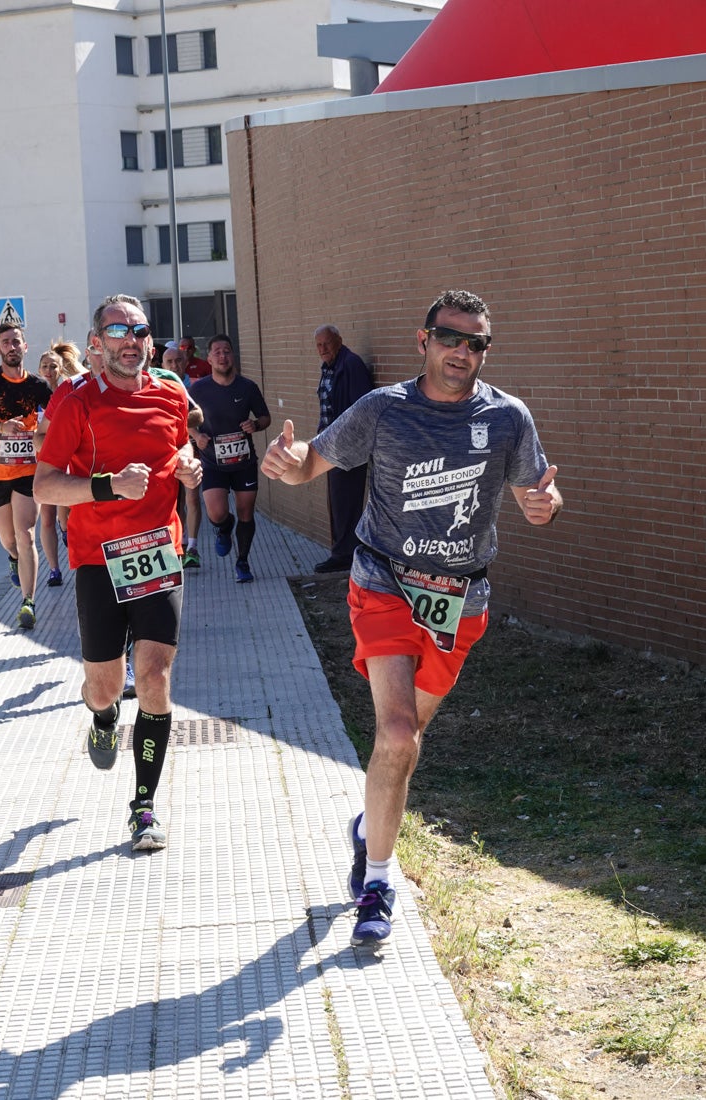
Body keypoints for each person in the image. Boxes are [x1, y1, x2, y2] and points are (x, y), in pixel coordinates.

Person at [262, 289, 563, 946]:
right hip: (384, 582)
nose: (462, 351)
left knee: (406, 737)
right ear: (422, 340)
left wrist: (546, 507)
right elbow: (312, 459)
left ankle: (370, 826)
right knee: (396, 734)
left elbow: (537, 489)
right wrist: (287, 468)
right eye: (450, 337)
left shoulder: (507, 418)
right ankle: (377, 879)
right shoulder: (383, 409)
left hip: (459, 600)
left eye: (475, 342)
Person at [34, 293, 202, 851]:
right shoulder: (75, 399)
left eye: (141, 330)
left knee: (153, 675)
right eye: (119, 331)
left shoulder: (173, 392)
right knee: (106, 687)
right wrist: (107, 486)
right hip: (97, 560)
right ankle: (101, 717)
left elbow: (179, 452)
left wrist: (189, 468)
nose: (132, 340)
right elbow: (45, 485)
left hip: (158, 551)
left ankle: (144, 808)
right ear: (97, 343)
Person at [0, 324, 52, 629]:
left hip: (27, 472)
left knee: (26, 533)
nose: (11, 346)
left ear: (25, 346)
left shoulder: (37, 388)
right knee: (10, 541)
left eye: (16, 341)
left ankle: (28, 602)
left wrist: (40, 437)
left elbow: (55, 422)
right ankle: (13, 559)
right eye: (6, 342)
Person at [189, 334, 271, 582]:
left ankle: (243, 562)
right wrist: (196, 436)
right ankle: (224, 528)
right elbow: (182, 419)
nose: (223, 356)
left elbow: (265, 417)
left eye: (227, 351)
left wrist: (255, 425)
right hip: (213, 462)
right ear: (209, 358)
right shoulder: (199, 389)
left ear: (232, 356)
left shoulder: (247, 387)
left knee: (247, 512)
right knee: (217, 513)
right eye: (217, 352)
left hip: (244, 461)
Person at [313, 325, 373, 572]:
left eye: (327, 343)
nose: (323, 349)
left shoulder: (351, 364)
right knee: (337, 500)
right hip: (331, 445)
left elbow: (362, 407)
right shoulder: (329, 367)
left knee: (345, 499)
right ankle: (340, 551)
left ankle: (345, 555)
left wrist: (346, 442)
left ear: (339, 340)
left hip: (347, 448)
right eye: (318, 345)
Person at [37, 341, 86, 587]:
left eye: (53, 366)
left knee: (65, 510)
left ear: (61, 368)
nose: (48, 371)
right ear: (39, 370)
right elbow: (35, 432)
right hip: (43, 459)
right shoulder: (36, 392)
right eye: (44, 366)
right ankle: (54, 569)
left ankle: (68, 533)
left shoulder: (71, 389)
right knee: (46, 516)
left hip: (69, 458)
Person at [161, 342, 203, 568]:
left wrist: (190, 431)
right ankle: (181, 542)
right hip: (169, 453)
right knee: (175, 504)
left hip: (193, 448)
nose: (174, 365)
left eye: (178, 360)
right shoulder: (157, 383)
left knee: (193, 497)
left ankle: (193, 547)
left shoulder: (194, 384)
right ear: (162, 364)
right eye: (170, 361)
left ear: (186, 361)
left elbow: (198, 415)